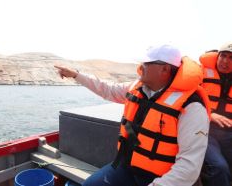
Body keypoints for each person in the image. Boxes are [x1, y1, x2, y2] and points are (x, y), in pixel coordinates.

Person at [55, 44, 210, 186]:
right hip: (127, 168)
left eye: (147, 64)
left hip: (164, 178)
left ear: (165, 69)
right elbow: (107, 89)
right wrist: (76, 75)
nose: (141, 67)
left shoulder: (191, 107)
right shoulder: (137, 87)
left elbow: (189, 167)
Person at [199, 42, 232, 186]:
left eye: (231, 58)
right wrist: (209, 114)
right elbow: (185, 101)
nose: (225, 61)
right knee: (220, 168)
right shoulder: (200, 74)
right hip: (204, 131)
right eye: (223, 55)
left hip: (228, 133)